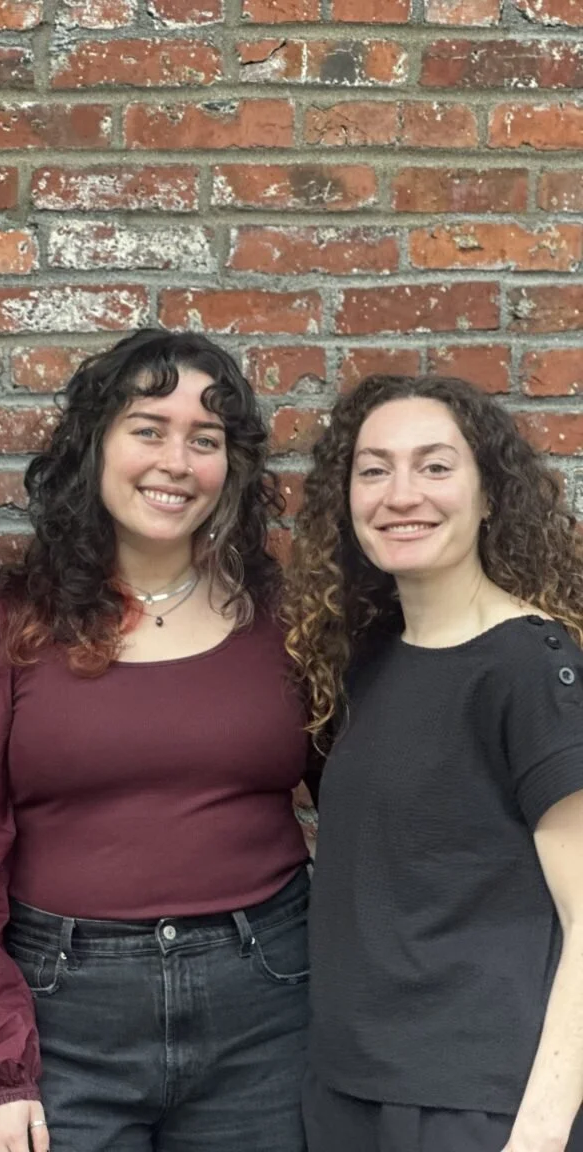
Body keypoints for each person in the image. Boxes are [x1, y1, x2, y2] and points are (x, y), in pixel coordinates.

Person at [0, 329, 313, 1152]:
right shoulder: (13, 617)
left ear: (229, 469)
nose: (176, 461)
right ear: (94, 446)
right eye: (147, 430)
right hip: (67, 1014)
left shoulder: (286, 617)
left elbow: (378, 801)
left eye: (204, 441)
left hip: (267, 1008)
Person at [283, 374, 583, 1152]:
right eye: (374, 469)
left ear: (490, 497)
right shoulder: (368, 655)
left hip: (472, 1107)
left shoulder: (530, 665)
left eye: (436, 466)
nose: (401, 493)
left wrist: (541, 1134)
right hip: (347, 1089)